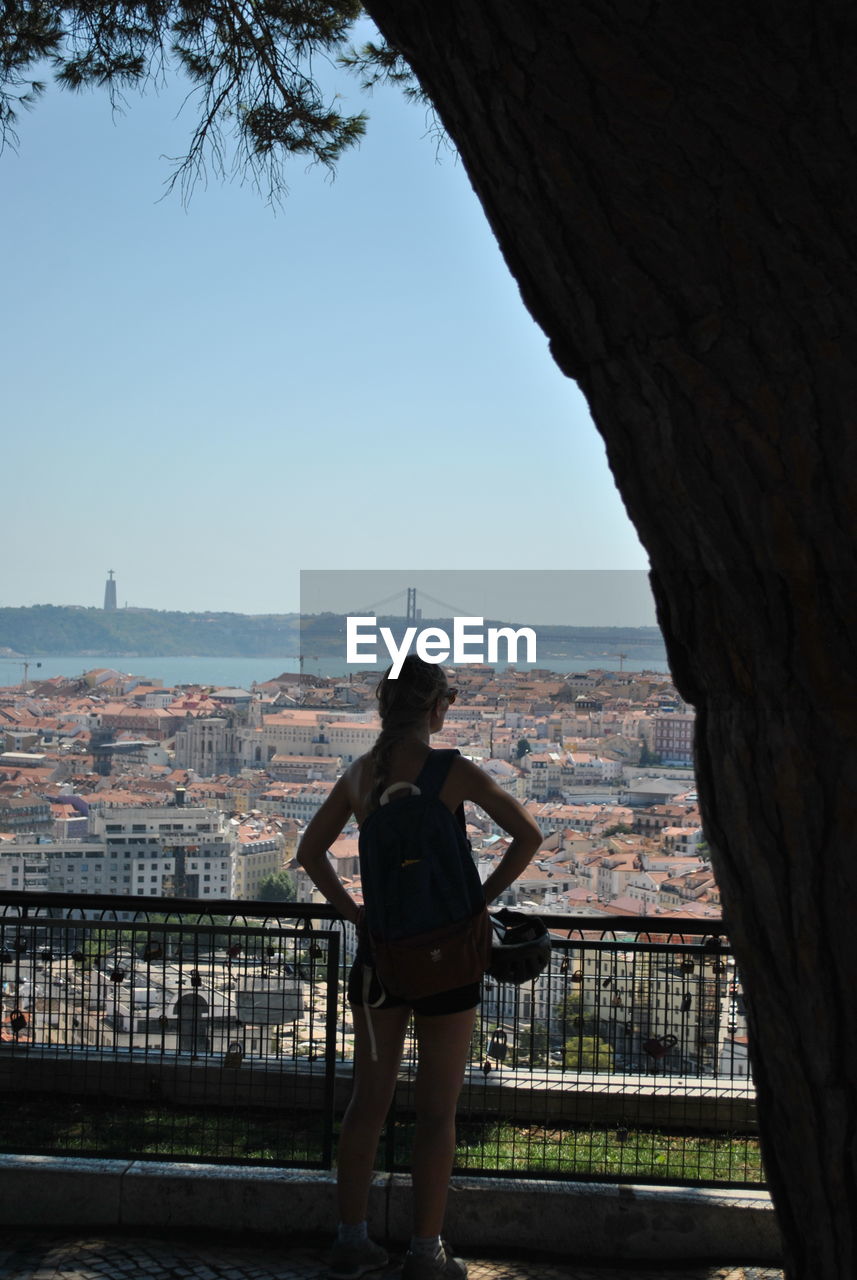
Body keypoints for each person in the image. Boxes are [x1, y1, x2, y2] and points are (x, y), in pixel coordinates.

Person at [297, 656, 542, 1280]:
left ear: (384, 710)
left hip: (383, 963)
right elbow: (529, 835)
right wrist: (478, 902)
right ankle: (426, 1254)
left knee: (366, 1105)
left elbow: (309, 853)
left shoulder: (359, 777)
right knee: (438, 1112)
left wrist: (356, 916)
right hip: (450, 963)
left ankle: (351, 1242)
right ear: (438, 709)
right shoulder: (451, 771)